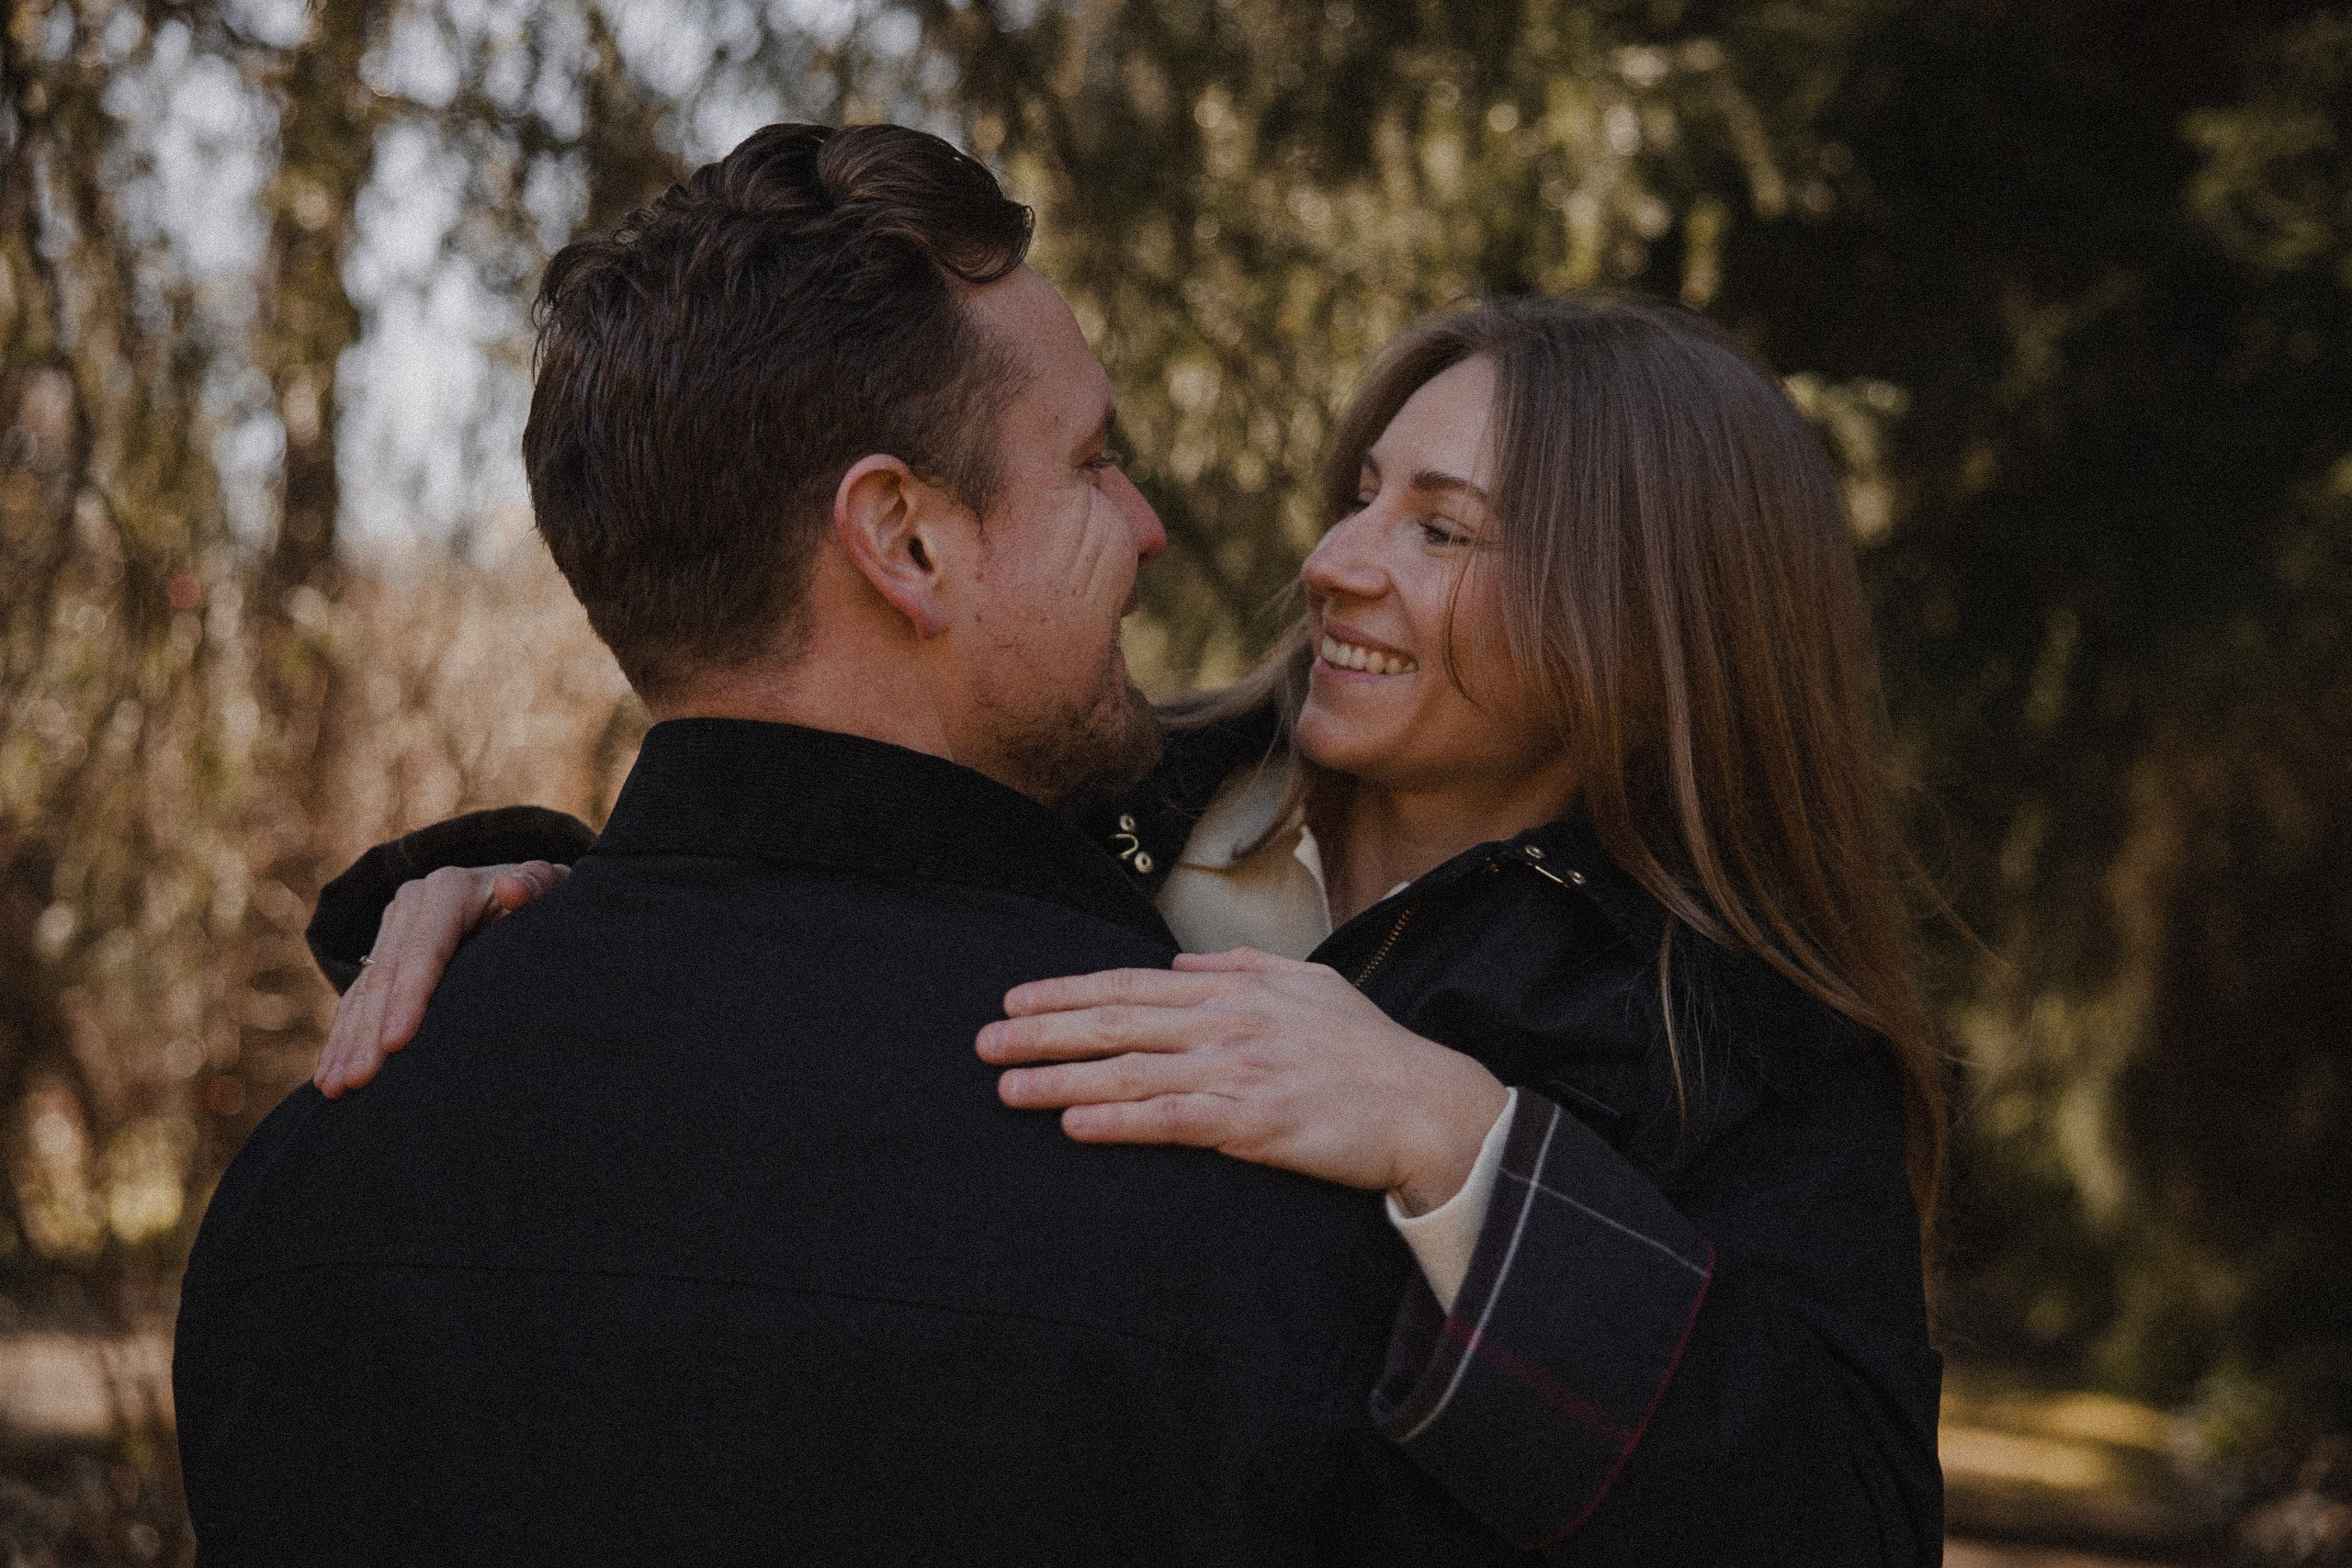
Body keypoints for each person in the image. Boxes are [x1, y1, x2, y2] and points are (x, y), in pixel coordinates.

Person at [307, 181, 1948, 1567]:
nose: (1333, 562)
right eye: (1361, 494)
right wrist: (527, 892)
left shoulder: (1732, 1027)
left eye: (1442, 532)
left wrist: (1462, 1144)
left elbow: (1849, 1522)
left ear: (1644, 613)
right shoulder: (1112, 788)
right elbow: (813, 835)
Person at [172, 122, 1531, 1567]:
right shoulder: (1257, 1223)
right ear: (904, 540)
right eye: (1089, 463)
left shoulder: (302, 1194)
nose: (1142, 525)